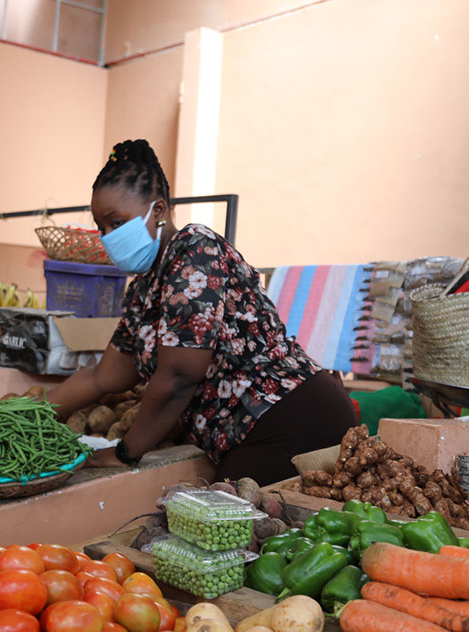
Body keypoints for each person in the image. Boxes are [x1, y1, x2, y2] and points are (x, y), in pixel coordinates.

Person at [46, 139, 357, 485]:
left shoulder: (195, 252)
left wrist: (125, 452)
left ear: (159, 210)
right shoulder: (144, 288)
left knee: (218, 525)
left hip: (292, 421)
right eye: (101, 226)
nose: (107, 237)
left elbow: (179, 376)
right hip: (251, 433)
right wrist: (33, 414)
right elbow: (102, 377)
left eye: (117, 223)